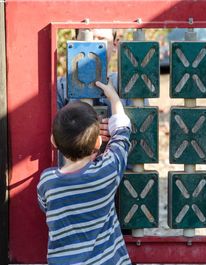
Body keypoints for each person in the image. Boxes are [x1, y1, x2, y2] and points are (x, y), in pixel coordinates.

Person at [37, 80, 132, 265]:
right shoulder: (106, 173)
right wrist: (114, 99)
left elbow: (45, 207)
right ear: (98, 143)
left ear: (53, 142)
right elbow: (122, 134)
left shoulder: (47, 182)